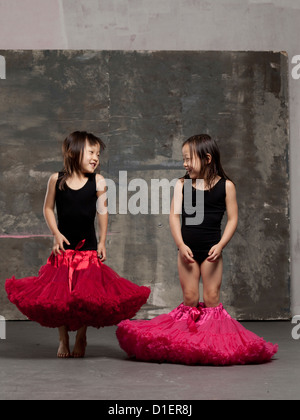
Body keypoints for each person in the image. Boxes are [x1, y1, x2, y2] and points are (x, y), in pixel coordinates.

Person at [116, 134, 278, 365]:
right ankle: (187, 344)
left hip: (212, 252)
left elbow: (233, 219)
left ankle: (209, 345)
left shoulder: (226, 186)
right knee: (190, 298)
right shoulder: (182, 184)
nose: (184, 164)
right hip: (188, 252)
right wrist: (181, 245)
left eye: (188, 159)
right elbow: (173, 216)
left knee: (211, 298)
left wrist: (221, 245)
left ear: (207, 158)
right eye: (183, 159)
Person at [5, 131, 150, 358]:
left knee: (85, 296)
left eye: (98, 154)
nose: (96, 158)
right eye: (91, 152)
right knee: (61, 297)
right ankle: (63, 339)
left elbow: (102, 211)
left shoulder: (98, 181)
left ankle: (81, 336)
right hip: (63, 248)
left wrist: (102, 241)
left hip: (88, 248)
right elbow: (47, 209)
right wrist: (56, 234)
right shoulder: (57, 179)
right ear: (74, 153)